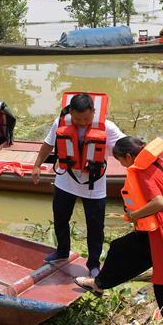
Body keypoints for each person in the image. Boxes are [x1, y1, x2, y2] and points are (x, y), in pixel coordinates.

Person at [73, 136, 163, 325]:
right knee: (121, 248)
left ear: (129, 156)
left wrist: (134, 215)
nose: (122, 165)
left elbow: (158, 202)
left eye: (121, 161)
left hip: (160, 232)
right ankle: (100, 284)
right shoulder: (158, 163)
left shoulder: (141, 172)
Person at [31, 92, 125, 277]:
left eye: (86, 119)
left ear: (94, 112)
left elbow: (124, 147)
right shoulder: (60, 123)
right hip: (65, 181)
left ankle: (93, 263)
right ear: (70, 112)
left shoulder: (107, 127)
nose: (82, 123)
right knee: (60, 218)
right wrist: (37, 165)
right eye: (78, 119)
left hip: (94, 186)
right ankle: (62, 251)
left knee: (95, 227)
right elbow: (48, 144)